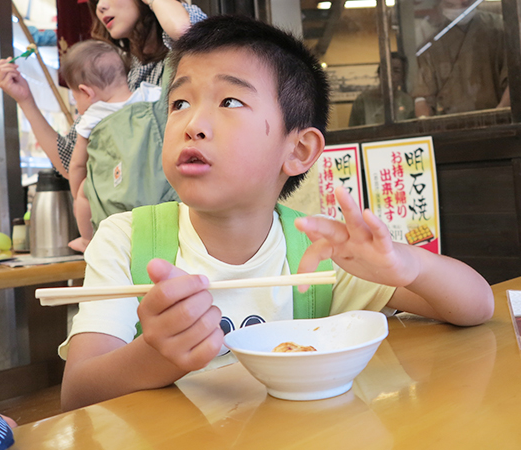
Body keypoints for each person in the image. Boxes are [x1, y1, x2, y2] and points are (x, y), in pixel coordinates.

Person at [59, 15, 495, 411]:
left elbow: (475, 307)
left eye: (229, 102)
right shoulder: (126, 240)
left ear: (299, 150)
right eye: (179, 103)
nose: (193, 123)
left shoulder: (315, 255)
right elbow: (77, 391)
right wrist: (156, 355)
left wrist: (407, 264)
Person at [0, 0, 206, 178]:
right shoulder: (121, 75)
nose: (100, 7)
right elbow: (70, 161)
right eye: (96, 1)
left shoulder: (182, 51)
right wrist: (25, 101)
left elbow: (185, 31)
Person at [60, 40, 161, 252]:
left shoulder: (92, 118)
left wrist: (78, 193)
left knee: (83, 192)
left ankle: (88, 241)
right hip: (155, 183)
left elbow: (77, 165)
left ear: (86, 92)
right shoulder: (150, 95)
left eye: (74, 96)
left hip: (115, 190)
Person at [412, 0, 510, 116]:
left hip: (498, 119)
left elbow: (515, 81)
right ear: (440, 4)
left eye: (465, 4)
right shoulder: (432, 42)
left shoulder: (498, 28)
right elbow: (423, 97)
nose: (458, 10)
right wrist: (426, 125)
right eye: (450, 5)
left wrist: (499, 114)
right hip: (448, 125)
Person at [348, 52, 416, 127]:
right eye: (386, 69)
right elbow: (354, 131)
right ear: (379, 73)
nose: (390, 75)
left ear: (403, 77)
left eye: (396, 71)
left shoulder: (407, 101)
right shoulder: (363, 100)